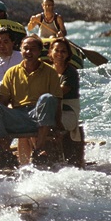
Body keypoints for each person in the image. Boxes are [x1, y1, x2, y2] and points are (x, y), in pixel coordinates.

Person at [0, 35, 63, 168]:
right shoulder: (11, 72)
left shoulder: (50, 72)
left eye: (33, 49)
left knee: (47, 98)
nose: (29, 52)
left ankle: (39, 150)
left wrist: (58, 124)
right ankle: (6, 152)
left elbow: (57, 101)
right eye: (25, 49)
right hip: (18, 115)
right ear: (20, 50)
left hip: (40, 116)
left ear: (39, 52)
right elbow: (3, 101)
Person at [48, 37, 83, 165]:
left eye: (63, 51)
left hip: (68, 112)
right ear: (51, 52)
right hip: (51, 109)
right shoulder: (47, 70)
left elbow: (59, 93)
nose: (59, 54)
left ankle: (55, 158)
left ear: (68, 54)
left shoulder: (71, 72)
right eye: (56, 50)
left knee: (48, 125)